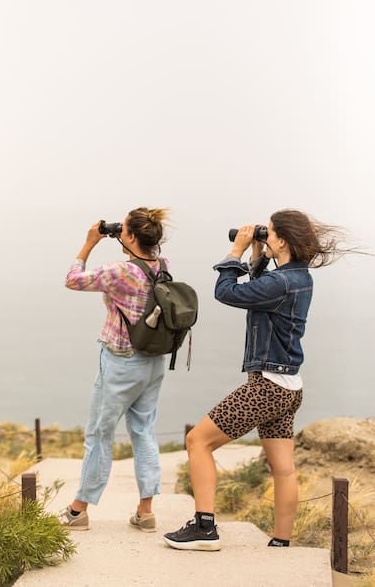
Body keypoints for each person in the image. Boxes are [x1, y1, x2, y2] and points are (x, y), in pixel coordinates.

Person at [163, 209, 346, 551]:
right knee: (284, 469)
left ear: (282, 240)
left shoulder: (281, 282)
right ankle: (281, 540)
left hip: (267, 388)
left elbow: (228, 292)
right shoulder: (298, 277)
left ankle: (204, 529)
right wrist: (258, 255)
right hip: (290, 387)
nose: (266, 234)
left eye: (270, 232)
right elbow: (259, 289)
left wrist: (236, 253)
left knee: (197, 442)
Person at [59, 207, 170, 532]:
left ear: (132, 236)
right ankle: (145, 511)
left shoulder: (119, 271)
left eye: (124, 230)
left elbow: (72, 280)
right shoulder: (162, 266)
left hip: (121, 362)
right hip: (153, 361)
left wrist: (89, 242)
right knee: (144, 431)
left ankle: (78, 511)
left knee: (99, 434)